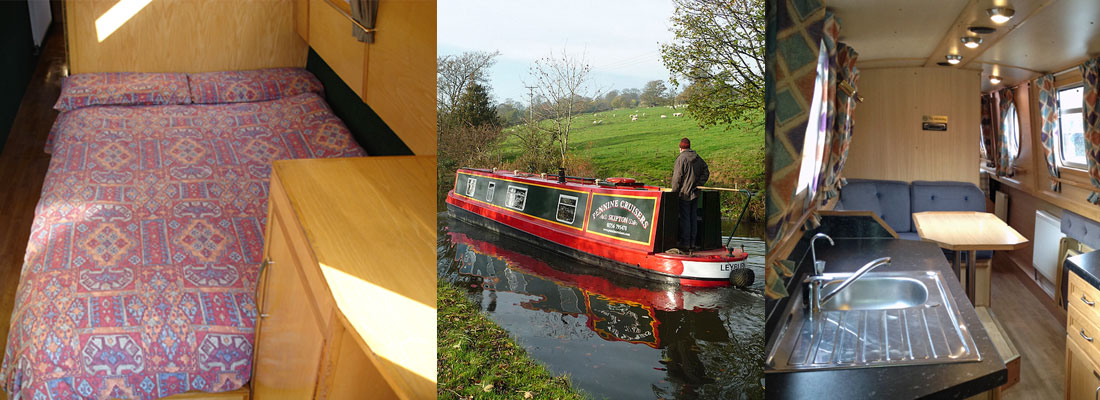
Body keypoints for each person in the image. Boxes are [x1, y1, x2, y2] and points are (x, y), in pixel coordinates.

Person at [670, 137, 709, 250]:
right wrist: (698, 184)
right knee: (693, 218)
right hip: (695, 193)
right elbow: (706, 171)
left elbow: (677, 178)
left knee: (685, 218)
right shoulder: (698, 158)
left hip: (684, 194)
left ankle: (685, 243)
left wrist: (674, 193)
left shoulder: (681, 159)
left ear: (680, 148)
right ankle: (692, 243)